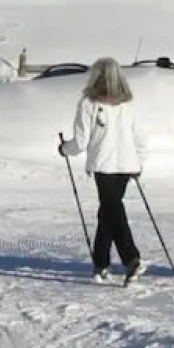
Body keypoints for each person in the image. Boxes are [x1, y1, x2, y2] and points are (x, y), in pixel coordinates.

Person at [58, 58, 149, 284]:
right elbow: (140, 137)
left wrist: (64, 149)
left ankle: (131, 259)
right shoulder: (127, 103)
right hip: (126, 165)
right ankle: (100, 263)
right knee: (108, 211)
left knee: (113, 210)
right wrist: (139, 162)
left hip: (104, 166)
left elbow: (80, 142)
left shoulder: (88, 103)